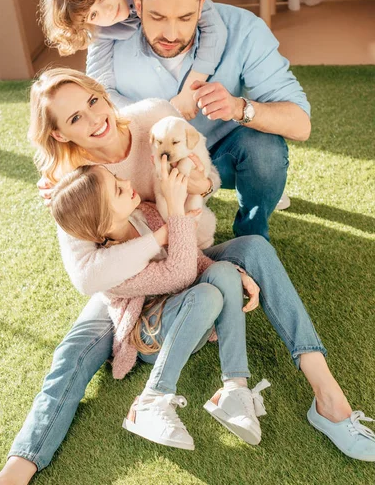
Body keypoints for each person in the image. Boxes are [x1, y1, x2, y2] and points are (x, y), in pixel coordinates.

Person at [0, 68, 374, 485]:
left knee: (257, 251)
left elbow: (206, 188)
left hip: (191, 253)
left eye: (92, 102)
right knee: (74, 352)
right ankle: (11, 479)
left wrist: (194, 188)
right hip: (133, 283)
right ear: (59, 133)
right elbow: (88, 276)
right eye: (75, 118)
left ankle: (329, 401)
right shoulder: (71, 182)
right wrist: (161, 231)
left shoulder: (153, 120)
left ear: (102, 94)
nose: (94, 119)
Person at [84, 0, 311, 239]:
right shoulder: (109, 34)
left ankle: (252, 232)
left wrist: (240, 108)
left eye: (185, 17)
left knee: (264, 151)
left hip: (224, 153)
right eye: (157, 17)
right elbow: (95, 107)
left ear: (202, 6)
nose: (170, 34)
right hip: (154, 161)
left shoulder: (245, 29)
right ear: (138, 5)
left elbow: (301, 125)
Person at [50, 161, 271, 451]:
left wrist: (237, 276)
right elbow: (178, 274)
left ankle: (234, 388)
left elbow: (192, 259)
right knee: (207, 296)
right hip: (151, 336)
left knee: (224, 273)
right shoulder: (111, 269)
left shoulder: (146, 214)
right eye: (117, 189)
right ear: (103, 224)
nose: (127, 183)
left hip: (189, 317)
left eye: (118, 177)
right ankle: (151, 400)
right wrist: (176, 210)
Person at [38, 0, 227, 120]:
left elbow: (214, 27)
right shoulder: (101, 26)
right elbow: (99, 85)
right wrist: (150, 115)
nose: (108, 11)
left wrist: (189, 92)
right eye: (94, 14)